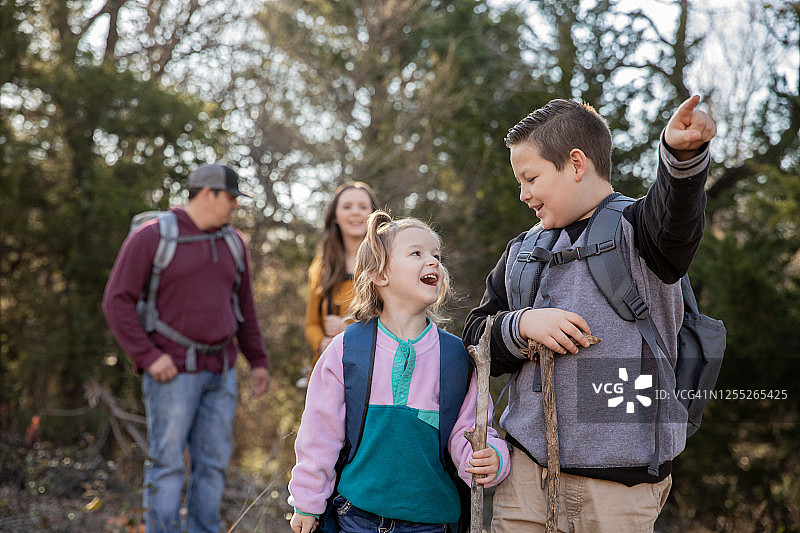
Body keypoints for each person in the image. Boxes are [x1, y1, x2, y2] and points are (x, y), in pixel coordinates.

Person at [463, 95, 716, 532]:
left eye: (530, 178)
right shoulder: (521, 251)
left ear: (576, 164)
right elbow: (475, 337)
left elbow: (677, 214)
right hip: (524, 480)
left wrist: (682, 157)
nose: (523, 194)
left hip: (619, 491)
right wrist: (521, 324)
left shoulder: (643, 232)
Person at [289, 211, 511, 533]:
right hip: (356, 516)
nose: (434, 262)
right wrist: (307, 503)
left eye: (437, 255)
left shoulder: (456, 358)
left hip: (434, 521)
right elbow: (318, 435)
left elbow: (472, 432)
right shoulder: (347, 349)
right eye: (417, 253)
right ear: (380, 275)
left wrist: (489, 458)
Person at [102, 163, 271, 533]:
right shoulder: (151, 237)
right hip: (172, 374)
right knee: (167, 464)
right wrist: (147, 356)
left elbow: (244, 308)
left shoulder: (234, 243)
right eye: (231, 198)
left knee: (212, 465)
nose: (234, 206)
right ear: (208, 194)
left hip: (222, 373)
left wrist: (257, 360)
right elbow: (117, 301)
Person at [302, 182, 379, 382]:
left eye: (363, 207)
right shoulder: (322, 266)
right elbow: (311, 324)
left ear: (374, 215)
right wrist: (322, 343)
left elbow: (398, 324)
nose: (355, 213)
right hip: (328, 377)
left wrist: (347, 329)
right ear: (335, 216)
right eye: (347, 207)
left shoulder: (385, 264)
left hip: (373, 378)